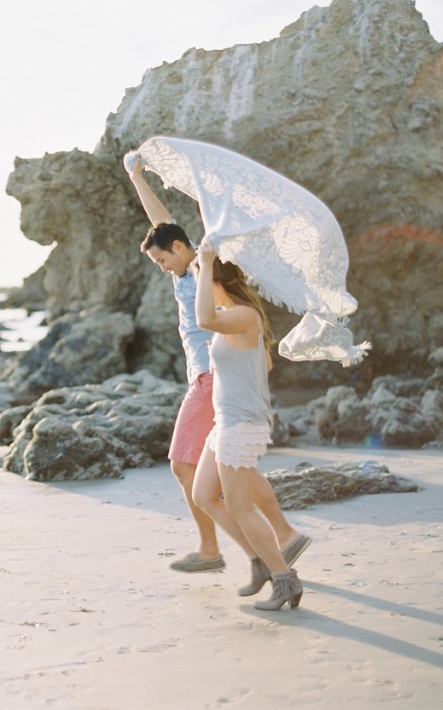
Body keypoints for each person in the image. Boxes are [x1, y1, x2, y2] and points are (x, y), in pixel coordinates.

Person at [128, 159, 310, 595]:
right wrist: (136, 177)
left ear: (181, 248)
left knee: (184, 465)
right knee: (230, 469)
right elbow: (164, 227)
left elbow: (169, 229)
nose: (161, 266)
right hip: (211, 375)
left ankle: (221, 547)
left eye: (161, 258)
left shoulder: (200, 271)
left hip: (212, 378)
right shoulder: (189, 271)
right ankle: (279, 536)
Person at [192, 241, 303, 610]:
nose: (198, 286)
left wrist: (204, 262)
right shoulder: (237, 317)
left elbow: (203, 319)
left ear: (215, 278)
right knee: (204, 495)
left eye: (201, 279)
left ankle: (284, 579)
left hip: (240, 424)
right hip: (228, 421)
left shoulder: (241, 315)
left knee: (240, 507)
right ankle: (260, 563)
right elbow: (265, 365)